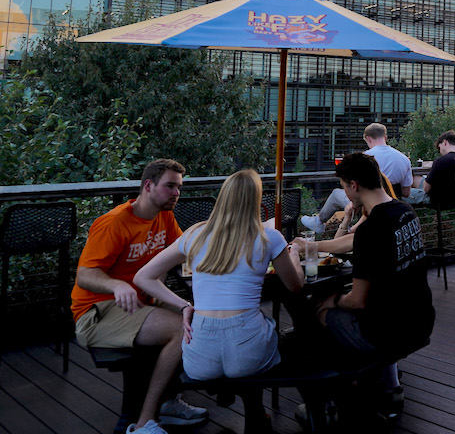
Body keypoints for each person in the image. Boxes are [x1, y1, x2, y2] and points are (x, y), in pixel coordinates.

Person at [70, 159, 208, 434]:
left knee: (202, 319)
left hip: (141, 302)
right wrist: (116, 285)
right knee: (182, 330)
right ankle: (145, 422)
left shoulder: (164, 216)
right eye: (170, 186)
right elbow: (84, 275)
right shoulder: (114, 223)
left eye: (179, 187)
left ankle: (168, 402)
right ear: (148, 185)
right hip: (97, 312)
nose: (176, 193)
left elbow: (184, 255)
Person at [135, 170, 304, 383]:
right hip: (248, 350)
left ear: (223, 197)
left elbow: (143, 277)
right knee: (275, 331)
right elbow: (295, 285)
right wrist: (295, 254)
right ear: (256, 201)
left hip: (200, 356)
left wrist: (184, 305)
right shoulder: (269, 237)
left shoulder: (196, 234)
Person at [306, 153, 434, 410]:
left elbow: (357, 301)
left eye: (344, 186)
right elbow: (359, 247)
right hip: (420, 322)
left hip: (389, 333)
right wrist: (314, 246)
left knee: (317, 313)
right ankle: (380, 383)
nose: (344, 193)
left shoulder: (371, 228)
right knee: (365, 312)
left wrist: (332, 300)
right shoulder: (406, 212)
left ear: (354, 185)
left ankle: (333, 398)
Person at [301, 122, 414, 233]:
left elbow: (356, 189)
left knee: (336, 194)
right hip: (393, 204)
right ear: (385, 137)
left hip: (366, 204)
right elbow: (406, 192)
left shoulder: (364, 159)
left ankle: (319, 222)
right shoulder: (404, 159)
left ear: (368, 138)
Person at [407, 130, 455, 206]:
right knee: (414, 178)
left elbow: (426, 189)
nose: (440, 152)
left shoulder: (442, 161)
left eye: (439, 148)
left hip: (437, 200)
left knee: (400, 192)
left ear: (444, 142)